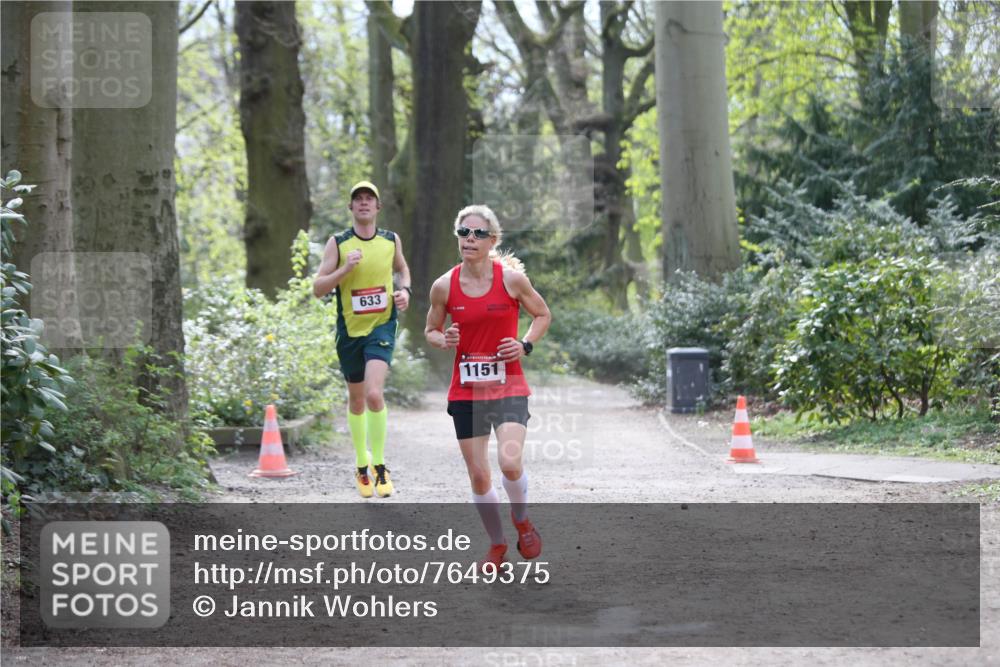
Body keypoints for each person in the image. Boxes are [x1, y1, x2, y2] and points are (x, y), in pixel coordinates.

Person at [424, 204, 552, 571]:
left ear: (492, 240)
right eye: (464, 232)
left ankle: (522, 521)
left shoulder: (511, 280)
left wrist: (524, 344)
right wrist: (442, 338)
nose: (470, 239)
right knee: (479, 475)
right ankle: (497, 545)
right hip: (466, 391)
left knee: (509, 463)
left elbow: (542, 314)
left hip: (508, 383)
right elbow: (430, 330)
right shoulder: (444, 286)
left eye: (478, 233)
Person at [313, 181, 411, 498]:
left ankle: (380, 467)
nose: (364, 203)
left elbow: (402, 269)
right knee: (356, 401)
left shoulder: (390, 240)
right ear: (351, 208)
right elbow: (318, 288)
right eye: (358, 199)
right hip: (349, 332)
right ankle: (361, 465)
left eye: (370, 199)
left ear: (378, 207)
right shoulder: (338, 243)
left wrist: (405, 291)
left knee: (372, 394)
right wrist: (345, 269)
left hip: (381, 327)